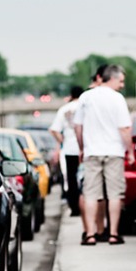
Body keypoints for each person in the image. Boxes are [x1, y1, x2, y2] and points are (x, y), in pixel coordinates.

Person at [73, 64, 133, 246]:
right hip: (114, 152)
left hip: (92, 152)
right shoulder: (117, 99)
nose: (122, 85)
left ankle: (90, 234)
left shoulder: (86, 97)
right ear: (112, 78)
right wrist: (129, 150)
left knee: (91, 194)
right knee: (115, 194)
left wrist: (82, 147)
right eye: (121, 81)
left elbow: (78, 127)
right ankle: (113, 234)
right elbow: (124, 128)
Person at [49, 85, 84, 217]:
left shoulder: (64, 109)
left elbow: (53, 130)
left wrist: (62, 140)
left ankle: (74, 207)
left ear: (71, 95)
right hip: (86, 148)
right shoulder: (85, 107)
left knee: (71, 178)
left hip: (70, 149)